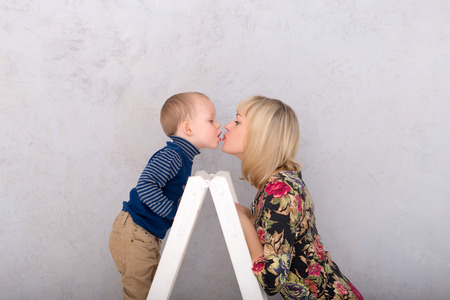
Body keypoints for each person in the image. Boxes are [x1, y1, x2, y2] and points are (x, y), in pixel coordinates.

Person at [222, 95, 363, 300]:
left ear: (261, 135)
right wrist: (247, 214)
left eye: (237, 121)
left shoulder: (280, 190)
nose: (227, 126)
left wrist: (242, 221)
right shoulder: (277, 183)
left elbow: (272, 281)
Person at [109, 92, 221, 300]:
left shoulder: (183, 156)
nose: (218, 125)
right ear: (188, 128)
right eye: (211, 120)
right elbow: (146, 186)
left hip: (146, 234)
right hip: (135, 231)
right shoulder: (172, 155)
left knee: (153, 291)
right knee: (139, 294)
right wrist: (173, 213)